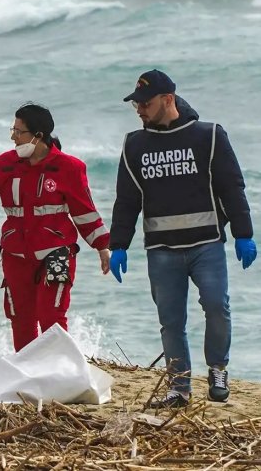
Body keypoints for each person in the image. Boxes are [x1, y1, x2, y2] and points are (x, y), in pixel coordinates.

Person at [110, 69, 256, 408]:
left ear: (168, 99)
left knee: (217, 307)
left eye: (145, 103)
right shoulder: (135, 145)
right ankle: (178, 387)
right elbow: (127, 199)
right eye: (136, 104)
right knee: (171, 321)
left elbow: (231, 187)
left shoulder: (209, 136)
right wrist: (118, 244)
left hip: (207, 243)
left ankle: (218, 369)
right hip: (161, 250)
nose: (140, 109)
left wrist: (243, 234)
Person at [0, 103, 110, 352]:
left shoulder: (69, 167)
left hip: (56, 251)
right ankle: (27, 375)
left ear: (38, 135)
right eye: (12, 129)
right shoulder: (5, 163)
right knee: (21, 319)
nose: (12, 136)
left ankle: (60, 372)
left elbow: (84, 211)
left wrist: (102, 247)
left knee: (51, 317)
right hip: (16, 254)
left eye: (18, 131)